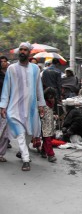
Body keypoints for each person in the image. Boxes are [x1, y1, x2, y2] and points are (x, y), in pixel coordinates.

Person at [0, 42, 46, 171]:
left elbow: (39, 88)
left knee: (29, 133)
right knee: (20, 133)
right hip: (14, 108)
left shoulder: (35, 69)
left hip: (31, 109)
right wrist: (3, 106)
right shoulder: (12, 69)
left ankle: (22, 151)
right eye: (21, 49)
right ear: (18, 51)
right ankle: (26, 159)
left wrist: (41, 104)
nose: (23, 52)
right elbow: (6, 88)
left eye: (25, 50)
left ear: (29, 52)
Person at [40, 87, 58, 162]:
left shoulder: (50, 105)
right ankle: (51, 155)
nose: (52, 99)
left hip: (50, 125)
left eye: (53, 97)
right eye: (51, 97)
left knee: (48, 139)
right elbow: (42, 115)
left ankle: (43, 151)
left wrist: (53, 116)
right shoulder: (43, 105)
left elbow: (49, 114)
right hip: (44, 125)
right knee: (47, 139)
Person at [0, 56, 10, 161]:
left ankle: (1, 153)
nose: (3, 63)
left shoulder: (10, 74)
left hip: (7, 105)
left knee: (5, 131)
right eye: (1, 61)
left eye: (5, 61)